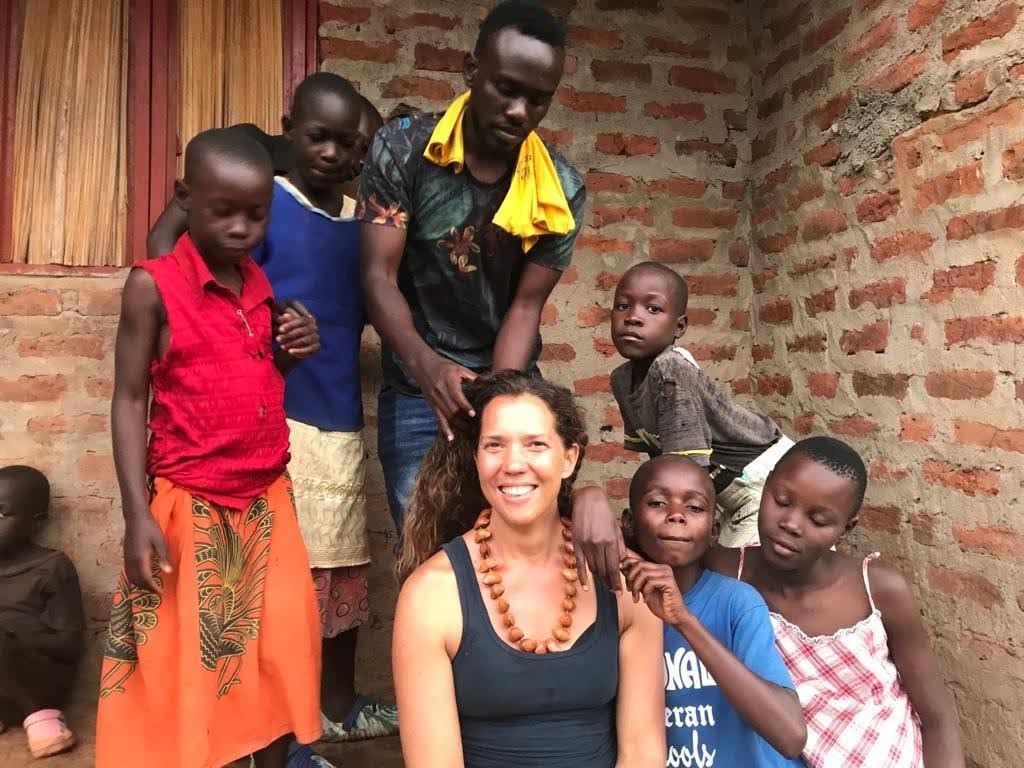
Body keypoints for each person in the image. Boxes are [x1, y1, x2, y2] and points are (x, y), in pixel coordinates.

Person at [97, 128, 322, 768]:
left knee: (280, 648)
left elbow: (255, 378)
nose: (240, 228)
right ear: (184, 199)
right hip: (190, 504)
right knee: (195, 666)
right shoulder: (153, 286)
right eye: (222, 211)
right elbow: (129, 399)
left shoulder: (259, 286)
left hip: (266, 501)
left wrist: (292, 352)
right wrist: (136, 515)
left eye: (256, 214)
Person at [358, 0, 587, 537]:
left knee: (515, 543)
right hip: (416, 383)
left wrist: (497, 399)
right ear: (471, 70)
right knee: (427, 547)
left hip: (507, 376)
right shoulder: (403, 149)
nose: (519, 111)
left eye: (538, 99)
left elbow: (525, 306)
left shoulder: (561, 187)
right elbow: (376, 278)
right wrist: (428, 368)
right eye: (507, 88)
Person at [392, 371, 664, 768]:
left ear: (569, 458)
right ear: (476, 458)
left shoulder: (622, 581)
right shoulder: (431, 595)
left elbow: (642, 753)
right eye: (495, 445)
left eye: (535, 444)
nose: (513, 464)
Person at [250, 72, 398, 750]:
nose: (336, 155)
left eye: (353, 145)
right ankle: (274, 725)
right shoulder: (265, 204)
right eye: (320, 138)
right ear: (289, 133)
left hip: (337, 419)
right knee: (273, 578)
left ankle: (336, 704)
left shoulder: (366, 228)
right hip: (271, 414)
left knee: (340, 570)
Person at [705, 437, 965, 767]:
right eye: (781, 501)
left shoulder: (877, 589)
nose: (791, 524)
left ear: (845, 529)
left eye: (818, 520)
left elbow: (938, 719)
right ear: (766, 486)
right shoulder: (727, 572)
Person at [571, 261, 797, 594]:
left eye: (653, 309)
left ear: (679, 327)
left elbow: (686, 473)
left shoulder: (671, 370)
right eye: (623, 305)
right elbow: (659, 461)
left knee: (736, 584)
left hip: (764, 483)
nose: (633, 317)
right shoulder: (622, 379)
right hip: (717, 488)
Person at [620, 454, 807, 767]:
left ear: (714, 531)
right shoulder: (617, 607)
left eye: (694, 507)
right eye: (657, 503)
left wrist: (684, 621)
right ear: (628, 522)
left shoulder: (736, 602)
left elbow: (790, 736)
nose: (676, 515)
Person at [0, 465, 84, 760]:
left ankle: (42, 719)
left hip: (39, 683)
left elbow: (70, 644)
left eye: (1, 514)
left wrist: (16, 635)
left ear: (36, 522)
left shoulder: (51, 567)